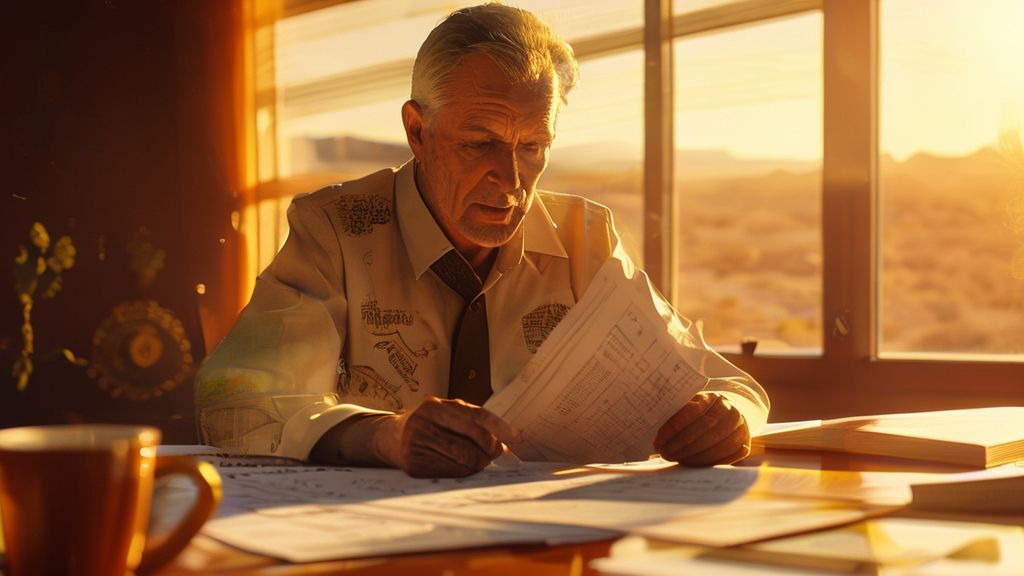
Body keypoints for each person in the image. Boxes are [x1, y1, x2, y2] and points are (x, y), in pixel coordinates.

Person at [196, 3, 768, 478]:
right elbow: (236, 399)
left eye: (532, 147)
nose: (511, 181)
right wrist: (386, 437)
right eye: (480, 143)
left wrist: (729, 418)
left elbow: (726, 384)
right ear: (417, 132)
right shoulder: (335, 230)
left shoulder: (585, 237)